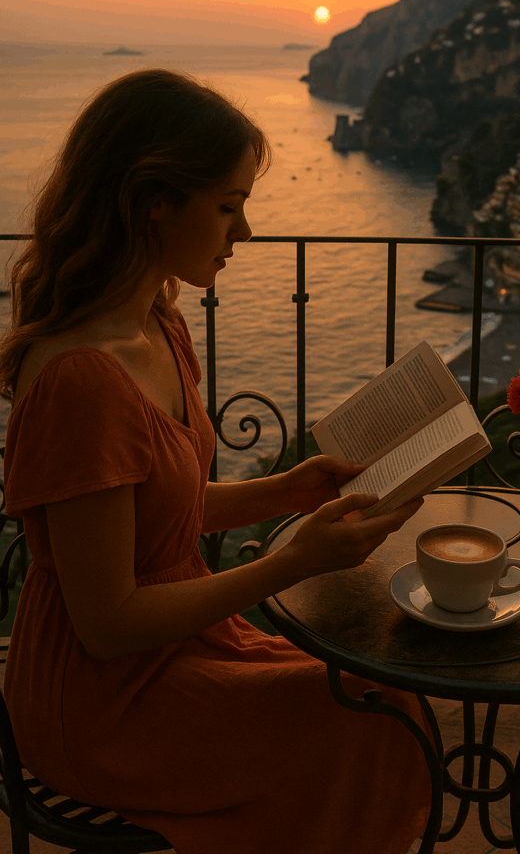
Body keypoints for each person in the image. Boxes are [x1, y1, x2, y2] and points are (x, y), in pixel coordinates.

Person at [0, 69, 432, 854]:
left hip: (181, 646)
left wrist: (287, 490)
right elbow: (107, 625)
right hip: (104, 699)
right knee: (374, 713)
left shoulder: (161, 327)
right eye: (229, 207)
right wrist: (292, 563)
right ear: (153, 202)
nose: (245, 232)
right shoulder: (81, 382)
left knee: (383, 691)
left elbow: (160, 511)